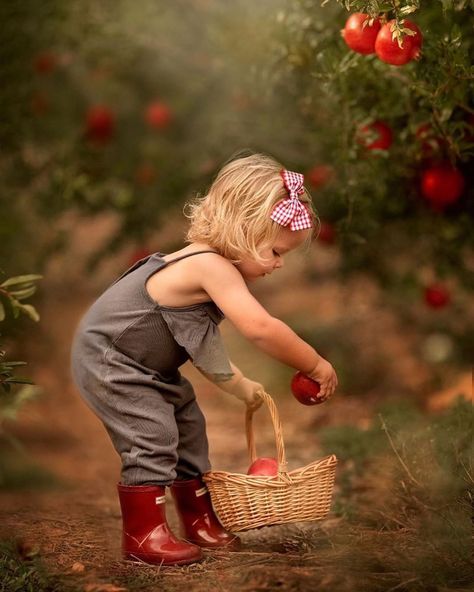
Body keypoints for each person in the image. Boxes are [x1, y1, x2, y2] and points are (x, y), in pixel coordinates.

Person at [70, 152, 338, 566]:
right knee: (152, 433)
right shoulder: (209, 266)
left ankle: (199, 520)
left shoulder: (208, 265)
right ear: (244, 230)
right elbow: (261, 328)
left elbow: (202, 345)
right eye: (275, 251)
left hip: (145, 367)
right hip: (110, 360)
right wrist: (314, 363)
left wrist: (241, 384)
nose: (280, 264)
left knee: (188, 424)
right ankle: (143, 536)